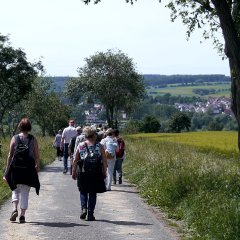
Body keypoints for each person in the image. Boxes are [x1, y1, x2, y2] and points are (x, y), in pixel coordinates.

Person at [3, 118, 40, 224]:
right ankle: (22, 215)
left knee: (15, 190)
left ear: (20, 126)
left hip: (15, 169)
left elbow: (10, 155)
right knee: (25, 192)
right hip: (28, 169)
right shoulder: (33, 139)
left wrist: (7, 171)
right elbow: (37, 155)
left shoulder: (14, 138)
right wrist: (37, 166)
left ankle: (14, 209)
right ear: (29, 127)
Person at [72, 126, 107, 221]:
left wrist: (73, 171)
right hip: (96, 172)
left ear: (86, 135)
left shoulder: (81, 145)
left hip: (83, 172)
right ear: (94, 135)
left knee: (83, 191)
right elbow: (104, 161)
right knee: (92, 193)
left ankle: (84, 208)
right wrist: (104, 171)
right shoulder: (99, 146)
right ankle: (90, 214)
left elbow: (75, 159)